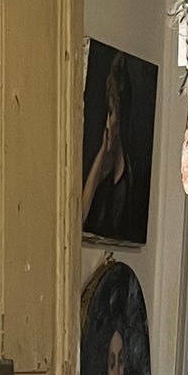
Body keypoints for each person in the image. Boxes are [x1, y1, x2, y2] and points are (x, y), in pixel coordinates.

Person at [82, 50, 137, 242]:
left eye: (111, 113)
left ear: (121, 118)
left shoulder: (123, 186)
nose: (107, 122)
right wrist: (101, 153)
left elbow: (82, 217)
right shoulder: (109, 175)